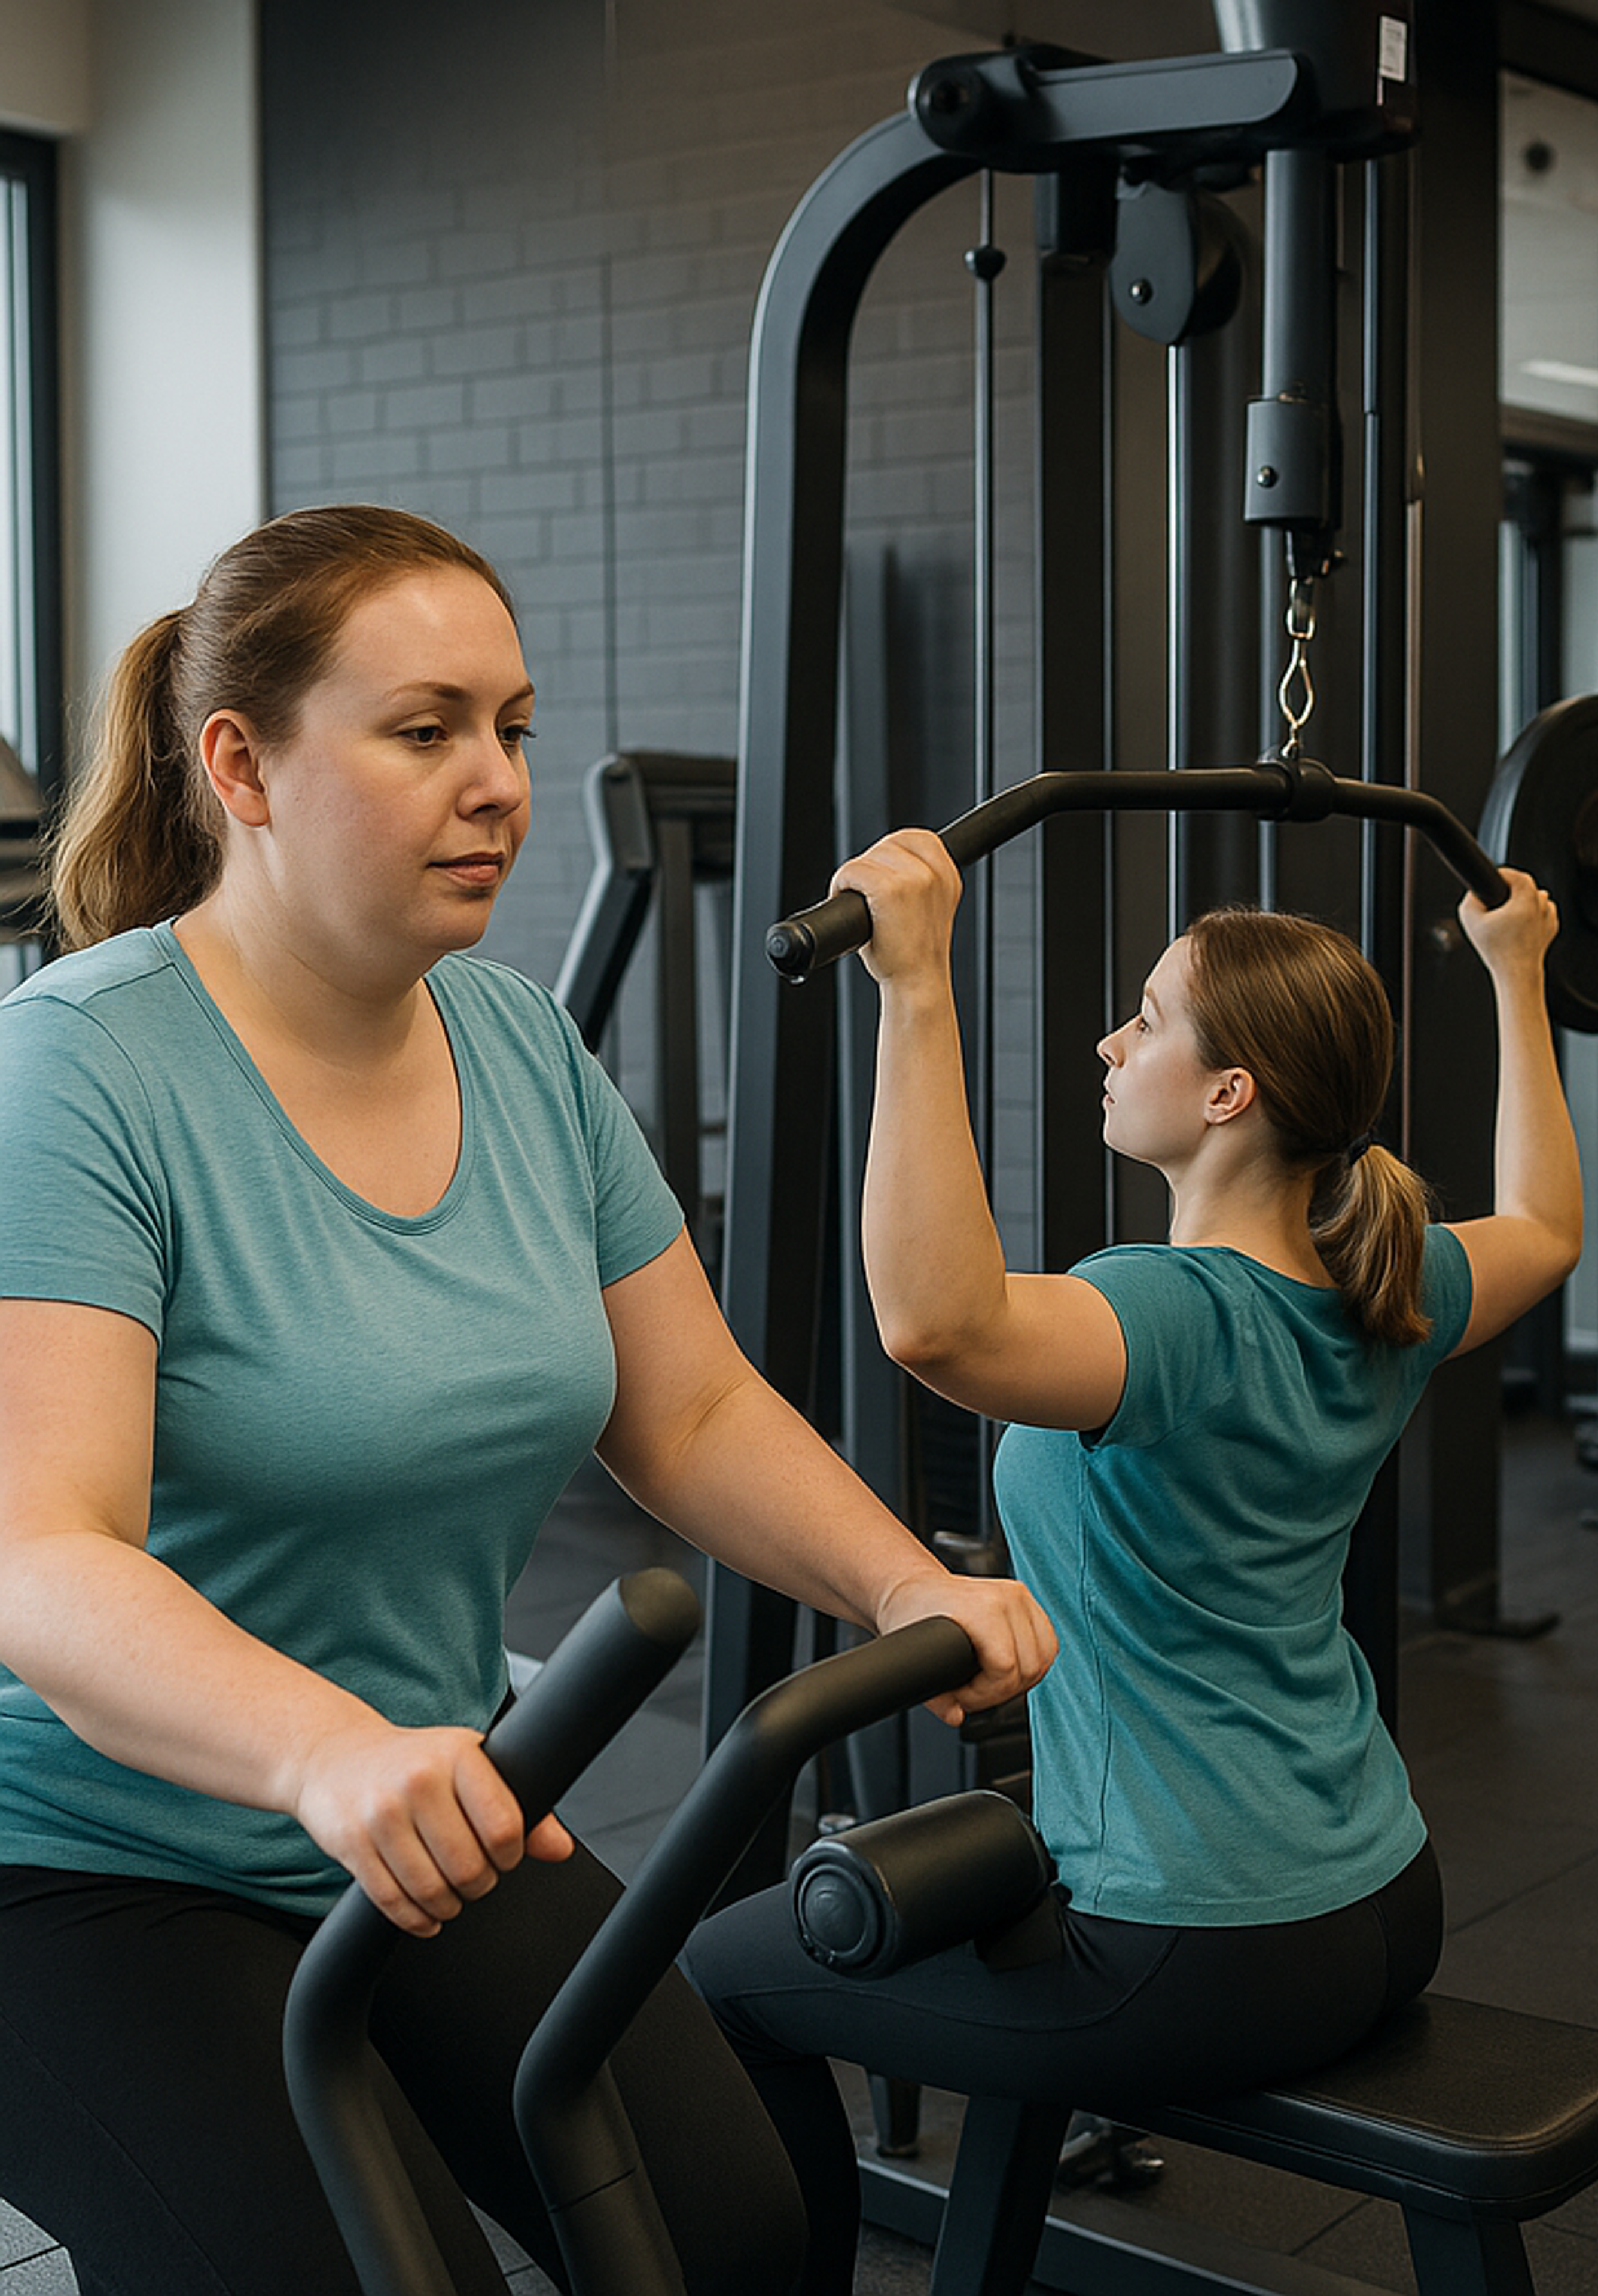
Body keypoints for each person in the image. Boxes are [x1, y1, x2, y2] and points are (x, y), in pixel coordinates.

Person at [0, 504, 1056, 2296]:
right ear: (240, 766)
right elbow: (40, 1551)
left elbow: (696, 1412)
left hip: (434, 1801)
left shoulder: (515, 1042)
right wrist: (321, 1752)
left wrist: (910, 1585)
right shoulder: (80, 1073)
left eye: (514, 727)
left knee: (736, 2227)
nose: (498, 783)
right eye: (427, 732)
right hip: (85, 1859)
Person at [682, 825, 1581, 2292]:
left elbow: (935, 1325)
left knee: (720, 1984)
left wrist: (918, 987)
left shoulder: (1167, 1313)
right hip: (1381, 1899)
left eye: (1147, 1018)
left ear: (1230, 1093)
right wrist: (1517, 976)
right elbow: (1549, 1221)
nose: (1112, 1040)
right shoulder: (1389, 1283)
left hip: (1194, 1949)